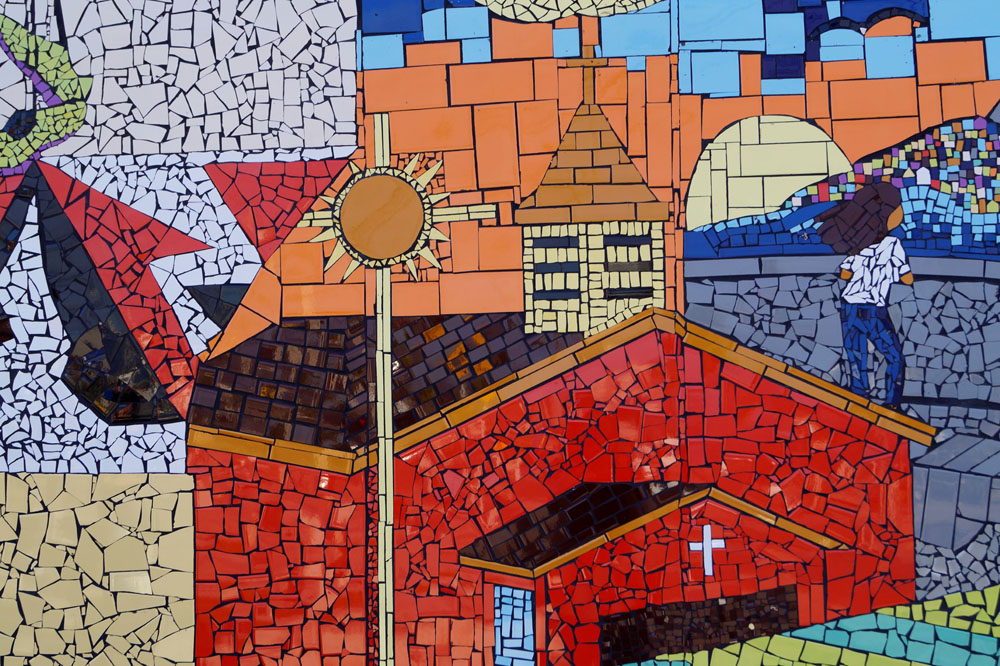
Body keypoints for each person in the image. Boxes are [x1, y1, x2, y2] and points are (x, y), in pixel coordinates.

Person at [817, 182, 913, 410]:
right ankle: (892, 402)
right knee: (894, 357)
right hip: (872, 309)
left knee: (857, 356)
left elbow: (844, 274)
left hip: (849, 306)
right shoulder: (893, 245)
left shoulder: (859, 246)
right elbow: (908, 278)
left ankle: (859, 398)